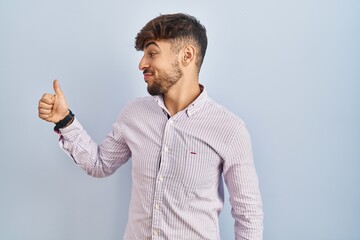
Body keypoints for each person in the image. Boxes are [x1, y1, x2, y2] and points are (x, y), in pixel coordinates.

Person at [38, 13, 263, 240]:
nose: (142, 64)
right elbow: (100, 164)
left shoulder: (230, 129)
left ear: (187, 55)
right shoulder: (134, 114)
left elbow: (248, 215)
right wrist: (65, 120)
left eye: (152, 53)